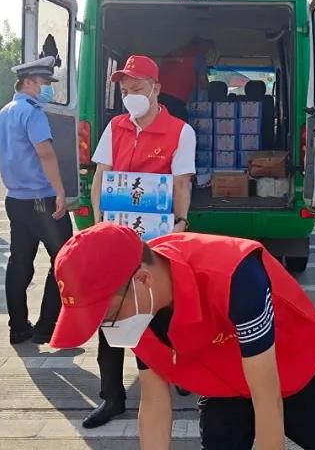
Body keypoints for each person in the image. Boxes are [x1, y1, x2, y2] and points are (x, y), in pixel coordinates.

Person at [50, 223, 315, 450]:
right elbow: (155, 402)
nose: (108, 328)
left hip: (292, 368)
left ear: (143, 280)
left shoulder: (234, 275)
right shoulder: (136, 305)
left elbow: (268, 402)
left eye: (106, 316)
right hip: (219, 380)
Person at [86, 54, 196, 428]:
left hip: (158, 240)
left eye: (137, 88)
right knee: (112, 312)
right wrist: (98, 222)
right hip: (115, 239)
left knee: (161, 310)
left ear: (156, 89)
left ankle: (176, 372)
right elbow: (101, 177)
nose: (130, 95)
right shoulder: (115, 127)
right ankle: (112, 396)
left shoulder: (179, 131)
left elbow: (182, 184)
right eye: (124, 90)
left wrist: (180, 223)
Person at [0, 55, 72, 346]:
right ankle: (46, 327)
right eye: (44, 82)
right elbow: (45, 153)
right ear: (28, 82)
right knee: (65, 260)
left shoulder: (4, 112)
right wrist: (60, 191)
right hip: (42, 199)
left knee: (20, 262)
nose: (47, 88)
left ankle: (18, 328)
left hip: (15, 199)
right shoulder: (32, 112)